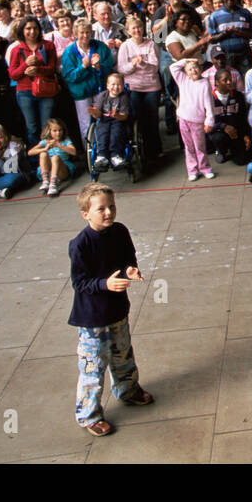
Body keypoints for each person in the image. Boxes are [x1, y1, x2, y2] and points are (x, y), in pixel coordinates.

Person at [68, 182, 154, 437]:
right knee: (92, 367)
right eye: (101, 209)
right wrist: (105, 283)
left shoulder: (120, 231)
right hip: (92, 319)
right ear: (86, 214)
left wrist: (131, 269)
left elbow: (129, 257)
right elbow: (79, 282)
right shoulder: (80, 244)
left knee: (123, 356)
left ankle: (128, 390)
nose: (108, 213)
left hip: (117, 312)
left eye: (112, 206)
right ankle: (88, 414)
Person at [116, 15, 163, 160]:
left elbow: (154, 68)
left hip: (151, 86)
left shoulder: (151, 44)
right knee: (137, 118)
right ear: (128, 31)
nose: (137, 30)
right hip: (133, 87)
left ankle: (154, 150)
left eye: (139, 27)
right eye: (134, 28)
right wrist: (134, 64)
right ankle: (139, 149)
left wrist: (142, 64)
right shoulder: (125, 46)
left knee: (152, 119)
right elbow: (122, 69)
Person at [60, 19, 115, 141]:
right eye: (82, 32)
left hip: (99, 89)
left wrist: (100, 68)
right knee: (85, 123)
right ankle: (90, 152)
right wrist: (83, 67)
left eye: (88, 32)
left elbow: (110, 67)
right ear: (75, 34)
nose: (85, 35)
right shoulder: (69, 52)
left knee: (104, 119)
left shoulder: (100, 47)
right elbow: (69, 76)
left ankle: (105, 149)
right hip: (81, 93)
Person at [7, 17, 57, 146]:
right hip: (25, 92)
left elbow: (52, 69)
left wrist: (37, 70)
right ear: (22, 31)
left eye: (35, 28)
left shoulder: (48, 46)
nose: (32, 31)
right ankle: (35, 159)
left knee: (46, 126)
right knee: (32, 127)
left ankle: (49, 155)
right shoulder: (16, 50)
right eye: (28, 28)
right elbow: (13, 75)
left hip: (45, 90)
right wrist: (25, 66)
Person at [169, 56, 215, 182]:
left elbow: (209, 104)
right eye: (189, 69)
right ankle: (192, 170)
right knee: (188, 147)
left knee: (199, 146)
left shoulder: (205, 84)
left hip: (197, 121)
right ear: (186, 72)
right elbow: (172, 67)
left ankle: (205, 168)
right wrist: (186, 61)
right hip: (184, 119)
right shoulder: (183, 80)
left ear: (200, 69)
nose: (193, 71)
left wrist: (209, 120)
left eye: (195, 68)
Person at [88, 73, 131, 172]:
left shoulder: (124, 97)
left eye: (119, 85)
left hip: (118, 120)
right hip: (104, 120)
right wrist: (94, 113)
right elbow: (98, 114)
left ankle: (115, 155)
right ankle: (102, 156)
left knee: (116, 133)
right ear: (107, 85)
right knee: (102, 132)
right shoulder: (102, 96)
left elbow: (125, 116)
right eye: (113, 84)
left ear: (123, 85)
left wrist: (117, 116)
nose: (116, 87)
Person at [206, 67, 249, 165]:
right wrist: (223, 127)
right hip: (219, 132)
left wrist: (245, 135)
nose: (229, 82)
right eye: (225, 80)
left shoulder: (238, 96)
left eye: (230, 79)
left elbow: (243, 117)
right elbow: (206, 123)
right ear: (216, 83)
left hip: (235, 132)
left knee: (242, 161)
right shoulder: (209, 98)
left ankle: (234, 149)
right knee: (218, 138)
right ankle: (220, 151)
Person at [28, 117, 77, 197]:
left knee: (55, 157)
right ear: (49, 131)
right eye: (54, 131)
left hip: (62, 170)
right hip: (48, 169)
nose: (58, 133)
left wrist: (58, 145)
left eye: (60, 130)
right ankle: (46, 181)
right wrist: (45, 148)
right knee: (43, 154)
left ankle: (53, 184)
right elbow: (30, 152)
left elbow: (74, 152)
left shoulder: (65, 140)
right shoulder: (45, 141)